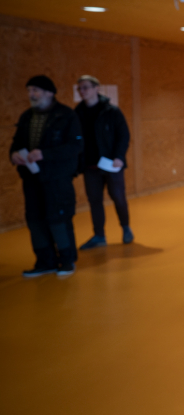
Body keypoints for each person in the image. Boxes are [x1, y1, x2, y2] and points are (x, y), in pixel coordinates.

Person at [9, 75, 84, 277]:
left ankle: (67, 260)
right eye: (29, 90)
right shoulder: (26, 117)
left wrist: (45, 154)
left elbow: (76, 145)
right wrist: (14, 154)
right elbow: (16, 142)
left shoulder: (66, 115)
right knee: (35, 220)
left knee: (58, 219)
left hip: (57, 178)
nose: (31, 94)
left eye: (35, 90)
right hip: (31, 178)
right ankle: (45, 261)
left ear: (49, 93)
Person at [74, 75, 133, 249]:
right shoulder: (78, 113)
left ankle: (125, 228)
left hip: (111, 164)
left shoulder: (111, 111)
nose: (82, 91)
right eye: (79, 88)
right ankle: (99, 235)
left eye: (85, 87)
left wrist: (119, 156)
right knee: (95, 201)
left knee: (118, 197)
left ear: (96, 88)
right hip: (90, 165)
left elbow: (123, 135)